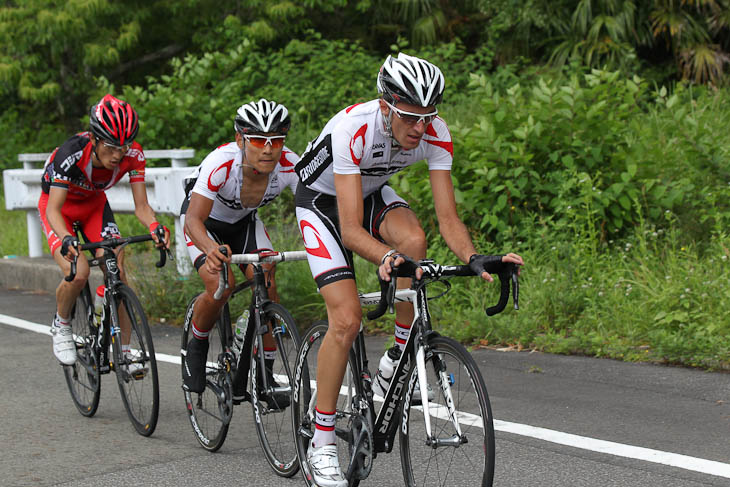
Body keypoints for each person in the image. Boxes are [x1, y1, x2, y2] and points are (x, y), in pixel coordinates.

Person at [294, 53, 524, 486]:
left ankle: (397, 357)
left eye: (428, 116)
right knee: (345, 320)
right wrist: (384, 256)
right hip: (322, 202)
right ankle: (321, 443)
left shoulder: (436, 133)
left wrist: (474, 258)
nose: (420, 128)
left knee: (414, 242)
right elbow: (349, 227)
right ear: (386, 107)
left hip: (371, 190)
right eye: (410, 117)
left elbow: (448, 219)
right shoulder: (352, 130)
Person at [180, 99, 299, 408]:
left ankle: (265, 377)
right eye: (259, 140)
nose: (268, 149)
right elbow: (193, 219)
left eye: (277, 140)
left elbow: (315, 206)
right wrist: (209, 249)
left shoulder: (289, 164)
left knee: (269, 284)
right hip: (204, 225)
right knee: (222, 285)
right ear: (240, 140)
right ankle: (197, 343)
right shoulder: (222, 163)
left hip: (244, 224)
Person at [40, 94, 171, 368]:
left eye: (122, 148)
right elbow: (53, 209)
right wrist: (65, 237)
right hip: (59, 208)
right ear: (94, 138)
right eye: (111, 147)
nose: (117, 155)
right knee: (79, 272)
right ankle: (61, 324)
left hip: (93, 206)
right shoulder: (71, 153)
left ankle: (123, 350)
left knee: (117, 271)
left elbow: (142, 206)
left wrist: (155, 226)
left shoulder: (133, 155)